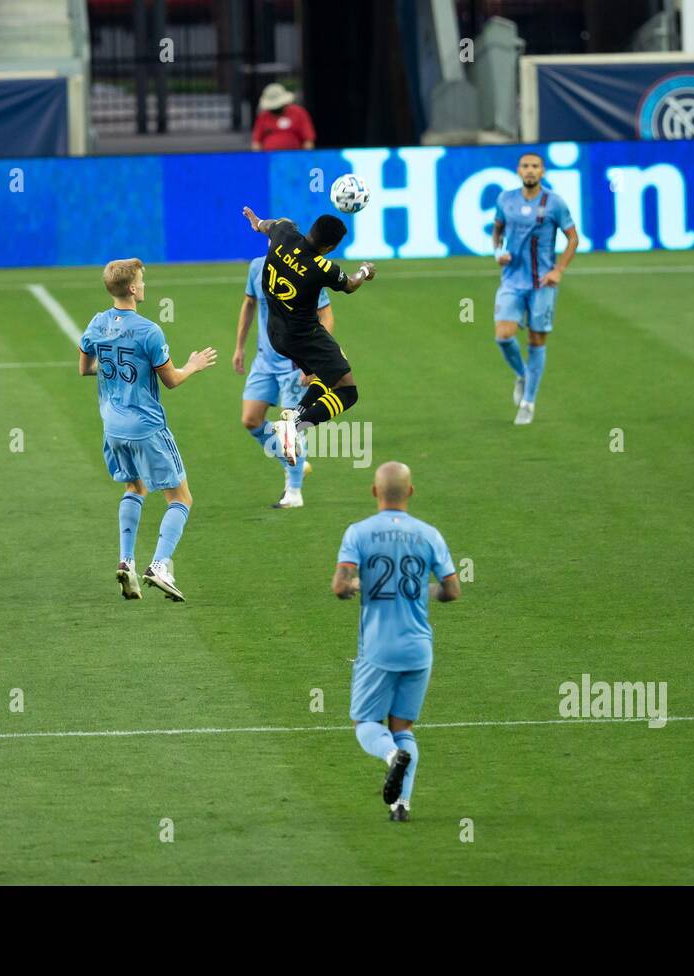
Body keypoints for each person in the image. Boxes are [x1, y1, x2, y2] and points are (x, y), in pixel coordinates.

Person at [79, 258, 217, 601]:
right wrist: (194, 366)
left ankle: (126, 560)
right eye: (141, 281)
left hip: (112, 427)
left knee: (134, 486)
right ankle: (159, 564)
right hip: (146, 426)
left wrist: (117, 369)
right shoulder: (149, 331)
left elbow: (85, 368)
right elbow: (170, 380)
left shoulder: (97, 323)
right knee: (181, 498)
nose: (144, 285)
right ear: (131, 288)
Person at [331, 461, 460, 822]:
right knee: (403, 728)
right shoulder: (429, 534)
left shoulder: (359, 532)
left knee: (366, 723)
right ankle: (400, 805)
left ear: (374, 492)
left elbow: (341, 586)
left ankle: (390, 757)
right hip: (419, 649)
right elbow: (451, 590)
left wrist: (359, 586)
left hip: (378, 647)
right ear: (411, 492)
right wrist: (423, 589)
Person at [240, 206, 375, 465]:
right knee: (347, 391)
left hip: (276, 334)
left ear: (310, 230)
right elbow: (350, 284)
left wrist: (257, 223)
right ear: (329, 248)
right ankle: (296, 425)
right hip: (305, 335)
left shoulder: (284, 233)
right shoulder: (322, 266)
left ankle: (295, 413)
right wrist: (365, 271)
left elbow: (270, 224)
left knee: (331, 370)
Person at [234, 252, 336, 508]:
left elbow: (326, 314)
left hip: (294, 362)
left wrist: (313, 360)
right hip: (264, 360)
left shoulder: (308, 270)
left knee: (290, 427)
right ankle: (293, 463)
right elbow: (248, 304)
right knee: (251, 419)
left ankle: (294, 492)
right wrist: (239, 347)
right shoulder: (257, 266)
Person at [492, 152, 579, 425]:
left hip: (542, 283)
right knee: (503, 336)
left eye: (535, 166)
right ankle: (523, 374)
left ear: (542, 172)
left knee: (535, 341)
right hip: (512, 280)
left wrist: (558, 270)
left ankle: (528, 402)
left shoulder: (555, 203)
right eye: (526, 166)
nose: (530, 170)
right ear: (519, 170)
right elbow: (497, 231)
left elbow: (573, 239)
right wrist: (498, 252)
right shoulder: (505, 199)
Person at [250, 82, 315, 151]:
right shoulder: (263, 117)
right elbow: (256, 142)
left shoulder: (299, 113)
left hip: (294, 159)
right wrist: (258, 158)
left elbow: (308, 140)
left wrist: (306, 157)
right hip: (270, 159)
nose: (276, 109)